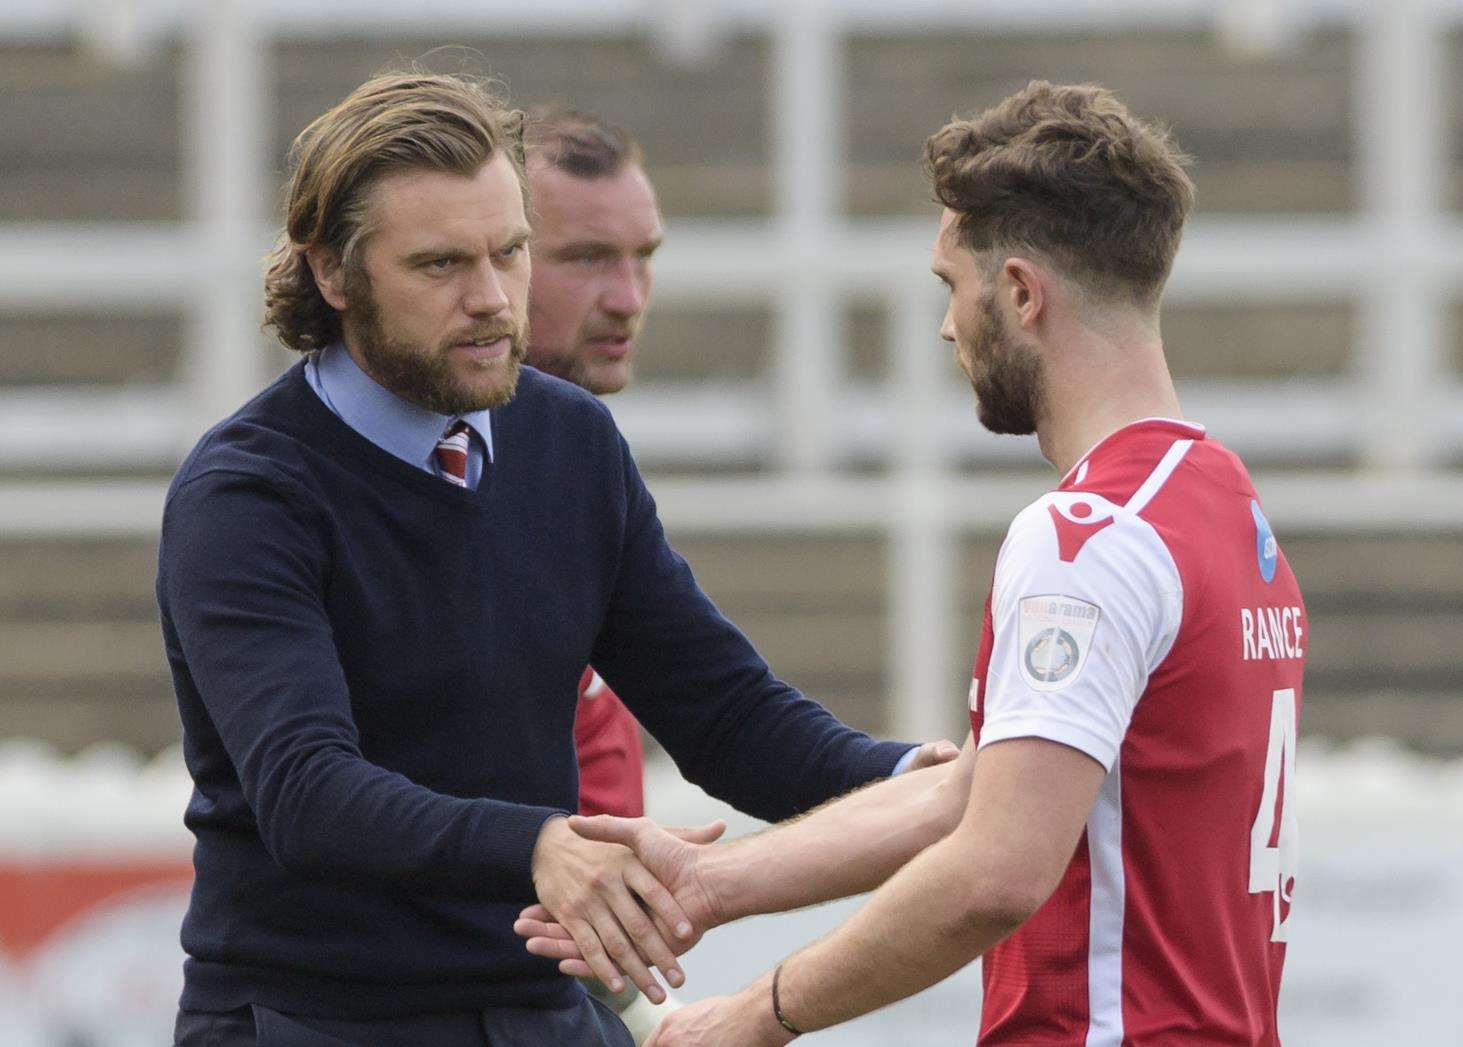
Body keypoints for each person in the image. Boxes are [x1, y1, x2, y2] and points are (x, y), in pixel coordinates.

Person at [157, 71, 947, 1047]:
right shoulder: (249, 494)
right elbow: (309, 792)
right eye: (442, 264)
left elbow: (725, 715)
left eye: (511, 252)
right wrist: (533, 843)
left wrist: (922, 777)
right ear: (331, 273)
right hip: (313, 1019)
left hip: (535, 1010)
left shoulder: (568, 440)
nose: (491, 299)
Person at [520, 81, 1307, 1046]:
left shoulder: (1087, 538)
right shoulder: (1220, 504)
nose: (946, 327)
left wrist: (756, 1014)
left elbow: (994, 870)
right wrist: (710, 884)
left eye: (952, 285)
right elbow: (975, 792)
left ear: (1018, 292)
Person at [519, 107, 952, 823]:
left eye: (644, 257)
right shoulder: (331, 476)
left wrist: (917, 774)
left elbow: (725, 716)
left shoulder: (579, 461)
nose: (628, 298)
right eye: (587, 257)